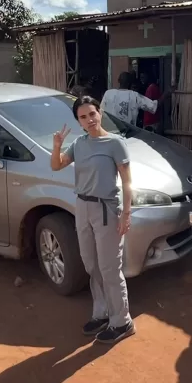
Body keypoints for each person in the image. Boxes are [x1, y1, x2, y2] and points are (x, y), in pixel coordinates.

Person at [51, 95, 136, 346]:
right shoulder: (79, 144)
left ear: (100, 113)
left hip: (106, 209)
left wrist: (126, 213)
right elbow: (57, 165)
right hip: (83, 206)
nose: (89, 120)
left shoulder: (115, 143)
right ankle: (102, 313)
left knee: (110, 268)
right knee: (91, 264)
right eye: (83, 117)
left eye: (92, 114)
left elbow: (127, 181)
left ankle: (122, 321)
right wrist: (57, 145)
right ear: (78, 120)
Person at [101, 72, 166, 127]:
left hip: (110, 132)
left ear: (118, 80)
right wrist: (167, 93)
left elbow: (101, 112)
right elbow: (154, 106)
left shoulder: (108, 93)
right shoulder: (135, 96)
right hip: (127, 134)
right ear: (130, 83)